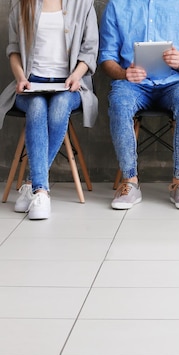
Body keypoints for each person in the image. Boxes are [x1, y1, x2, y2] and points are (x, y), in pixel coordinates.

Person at [98, 0, 179, 210]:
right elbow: (107, 57)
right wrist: (124, 73)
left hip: (175, 81)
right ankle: (130, 182)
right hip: (133, 84)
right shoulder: (117, 5)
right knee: (119, 103)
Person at [0, 0, 98, 220]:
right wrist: (21, 78)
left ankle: (31, 185)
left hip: (68, 84)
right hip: (31, 84)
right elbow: (13, 49)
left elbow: (90, 50)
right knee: (36, 107)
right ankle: (41, 190)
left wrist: (77, 75)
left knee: (59, 107)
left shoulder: (83, 3)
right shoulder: (20, 4)